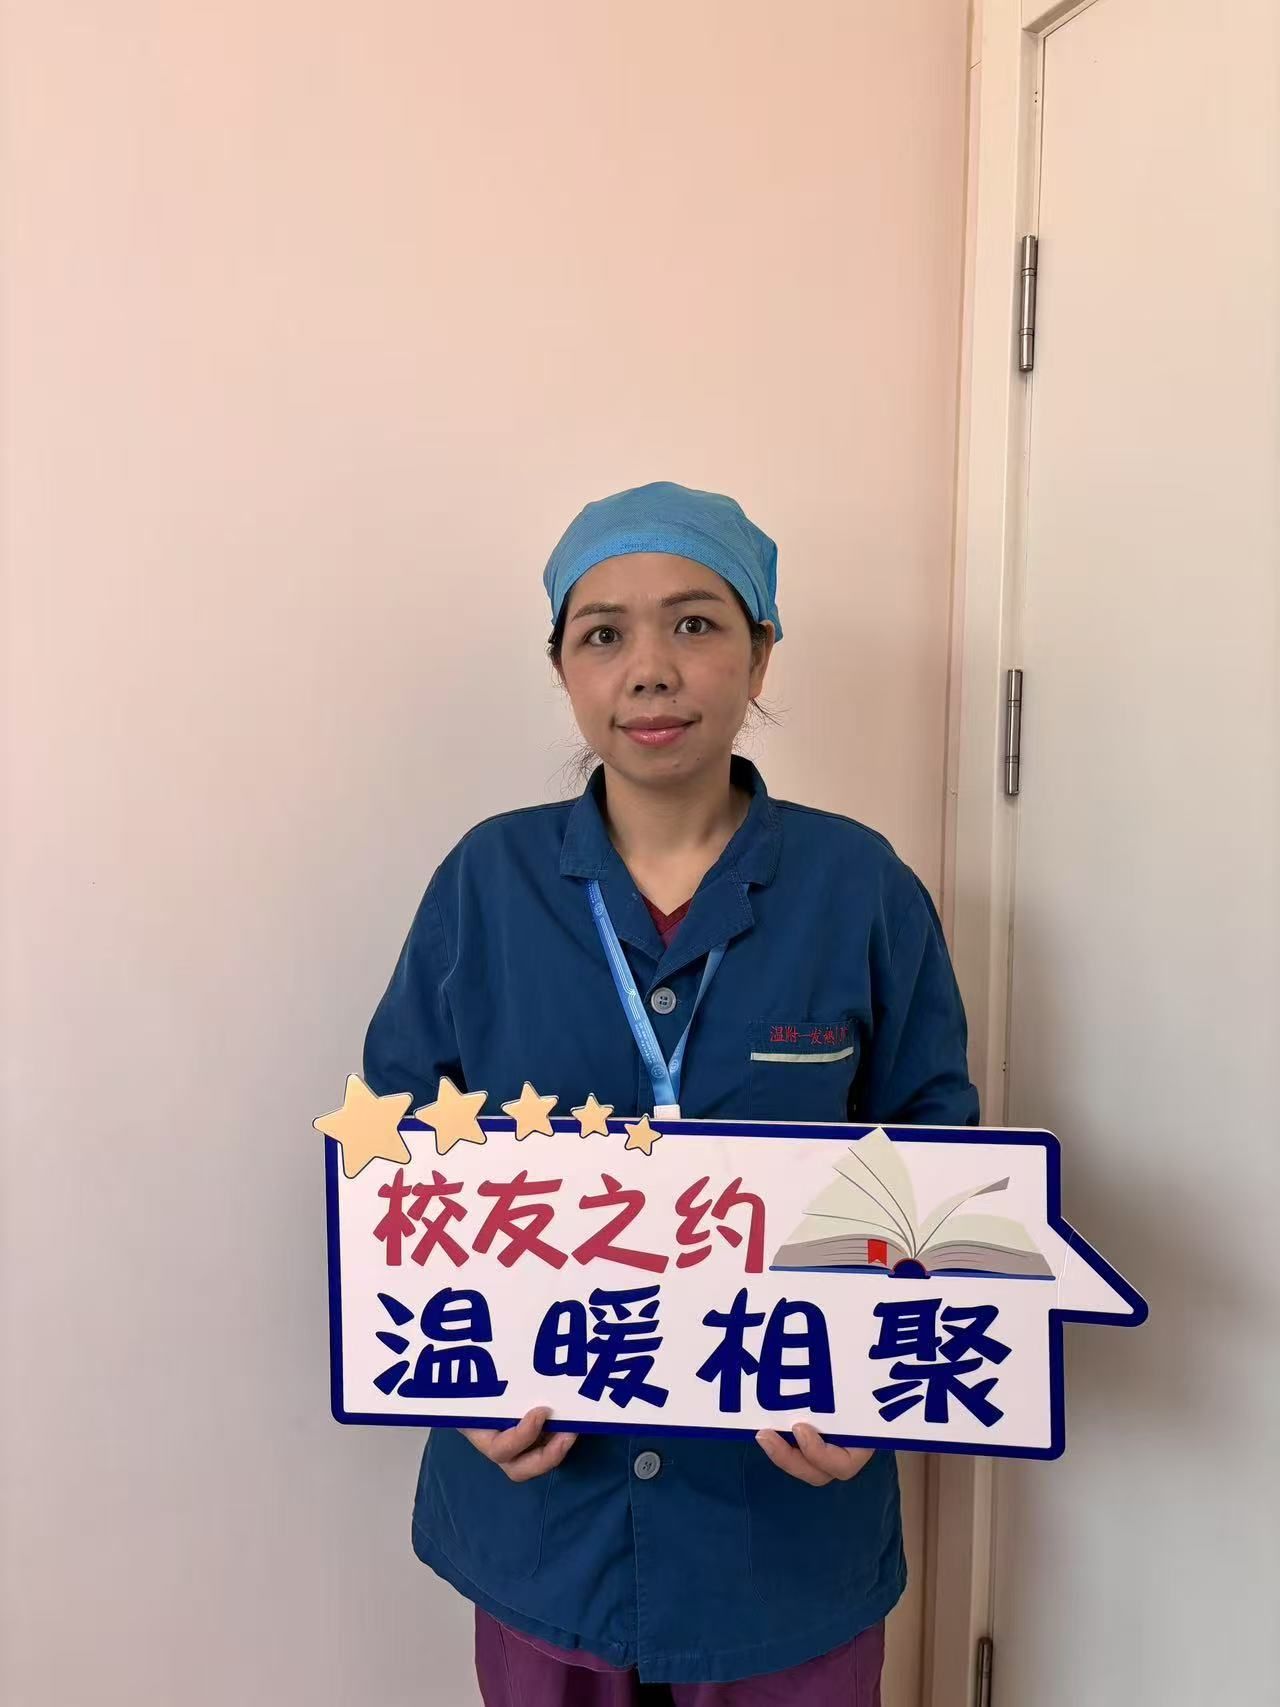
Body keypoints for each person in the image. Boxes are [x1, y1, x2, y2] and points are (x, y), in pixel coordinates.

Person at [363, 480, 979, 1706]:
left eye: (694, 623)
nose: (649, 668)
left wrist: (877, 1398)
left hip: (780, 1532)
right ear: (562, 667)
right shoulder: (486, 883)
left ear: (761, 652)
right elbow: (387, 1152)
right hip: (546, 1513)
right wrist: (455, 1377)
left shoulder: (858, 889)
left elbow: (941, 1167)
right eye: (604, 633)